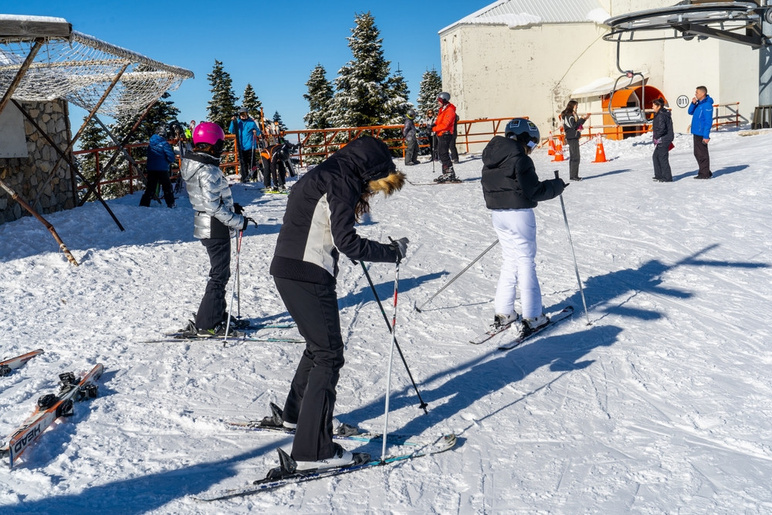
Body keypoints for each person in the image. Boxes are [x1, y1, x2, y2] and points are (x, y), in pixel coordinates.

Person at [267, 135, 408, 471]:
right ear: (370, 170)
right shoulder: (343, 180)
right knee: (329, 355)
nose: (372, 192)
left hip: (287, 269)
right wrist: (390, 252)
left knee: (318, 348)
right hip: (308, 272)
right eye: (376, 186)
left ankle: (295, 416)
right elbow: (347, 242)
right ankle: (314, 449)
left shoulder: (325, 172)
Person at [480, 118, 567, 338]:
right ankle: (533, 315)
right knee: (526, 262)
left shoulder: (491, 157)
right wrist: (556, 186)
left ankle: (504, 312)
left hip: (498, 215)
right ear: (523, 138)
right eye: (531, 144)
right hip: (519, 214)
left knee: (510, 260)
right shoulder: (519, 159)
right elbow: (534, 191)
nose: (531, 149)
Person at [180, 122, 255, 336]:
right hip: (215, 227)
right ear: (213, 144)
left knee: (221, 272)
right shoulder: (208, 169)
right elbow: (213, 206)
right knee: (219, 275)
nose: (222, 148)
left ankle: (218, 316)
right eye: (220, 144)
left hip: (208, 225)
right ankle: (207, 323)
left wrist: (232, 207)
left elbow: (211, 200)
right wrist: (238, 221)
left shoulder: (197, 166)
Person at [139, 126, 177, 208]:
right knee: (167, 187)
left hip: (151, 168)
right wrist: (169, 161)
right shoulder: (165, 144)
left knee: (150, 187)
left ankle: (144, 204)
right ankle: (170, 203)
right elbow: (171, 156)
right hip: (162, 169)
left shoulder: (151, 144)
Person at [229, 108, 261, 183]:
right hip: (241, 146)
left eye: (245, 114)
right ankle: (245, 177)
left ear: (247, 114)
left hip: (250, 145)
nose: (243, 116)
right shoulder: (238, 122)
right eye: (241, 115)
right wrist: (232, 121)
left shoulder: (251, 122)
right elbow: (231, 130)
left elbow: (258, 132)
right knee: (243, 163)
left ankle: (254, 177)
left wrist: (256, 132)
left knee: (252, 162)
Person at [560, 100, 590, 181]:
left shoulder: (570, 114)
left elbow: (574, 125)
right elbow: (573, 126)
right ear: (573, 106)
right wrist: (582, 119)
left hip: (573, 136)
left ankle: (573, 175)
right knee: (575, 157)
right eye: (576, 105)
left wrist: (583, 120)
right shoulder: (569, 115)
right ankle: (574, 176)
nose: (577, 107)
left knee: (573, 156)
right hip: (572, 137)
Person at [688, 85, 713, 179]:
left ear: (703, 94)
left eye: (697, 92)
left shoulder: (707, 105)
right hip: (696, 131)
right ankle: (705, 170)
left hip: (701, 133)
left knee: (702, 153)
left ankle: (704, 173)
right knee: (697, 153)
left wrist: (706, 136)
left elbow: (708, 121)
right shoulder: (699, 103)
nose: (695, 94)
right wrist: (693, 103)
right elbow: (690, 112)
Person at [433, 92, 459, 182]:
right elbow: (439, 122)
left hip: (446, 134)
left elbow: (445, 124)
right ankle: (446, 172)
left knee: (444, 154)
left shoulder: (449, 110)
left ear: (444, 100)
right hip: (441, 134)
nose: (438, 103)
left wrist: (434, 129)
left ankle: (450, 173)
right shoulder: (443, 110)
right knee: (441, 153)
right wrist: (432, 125)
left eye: (439, 101)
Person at [651, 98, 674, 183]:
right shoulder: (660, 114)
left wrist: (656, 136)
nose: (652, 107)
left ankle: (667, 177)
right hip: (662, 139)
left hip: (664, 139)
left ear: (658, 106)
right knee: (656, 156)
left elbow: (662, 129)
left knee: (662, 158)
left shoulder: (661, 115)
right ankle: (659, 175)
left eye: (653, 105)